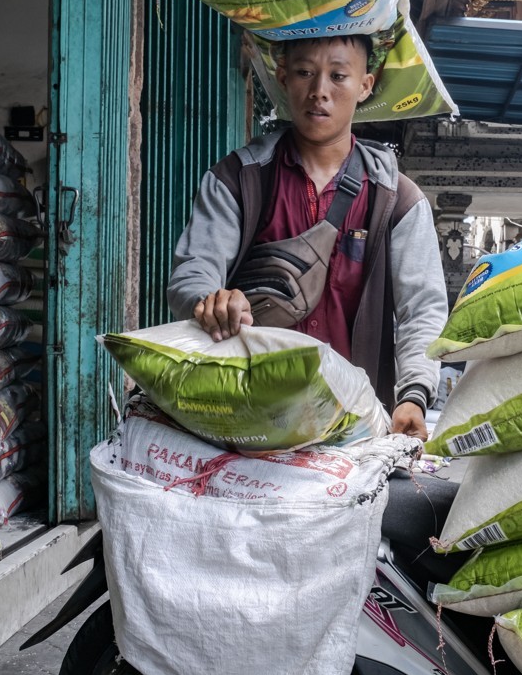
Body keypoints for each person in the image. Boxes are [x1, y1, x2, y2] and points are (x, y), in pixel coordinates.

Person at [166, 34, 448, 440]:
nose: (320, 92)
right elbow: (193, 272)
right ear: (283, 77)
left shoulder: (398, 200)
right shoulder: (237, 180)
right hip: (252, 419)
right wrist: (210, 301)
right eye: (304, 73)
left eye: (338, 76)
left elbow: (422, 310)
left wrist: (414, 395)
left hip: (357, 425)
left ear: (365, 86)